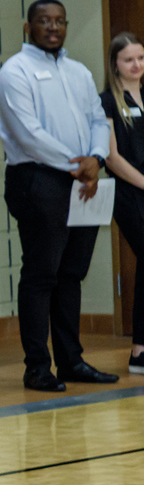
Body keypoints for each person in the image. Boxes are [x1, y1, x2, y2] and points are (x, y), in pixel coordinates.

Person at [0, 0, 119, 391]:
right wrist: (77, 165)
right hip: (38, 180)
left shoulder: (77, 71)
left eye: (60, 21)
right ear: (28, 27)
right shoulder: (14, 72)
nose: (54, 27)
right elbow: (29, 134)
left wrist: (96, 158)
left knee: (71, 274)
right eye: (45, 21)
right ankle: (37, 367)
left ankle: (71, 361)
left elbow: (99, 119)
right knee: (41, 273)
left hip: (84, 178)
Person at [102, 31, 144, 373]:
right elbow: (112, 158)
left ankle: (140, 350)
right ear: (115, 64)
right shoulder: (107, 102)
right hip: (129, 193)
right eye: (129, 59)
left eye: (141, 58)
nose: (136, 65)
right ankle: (139, 349)